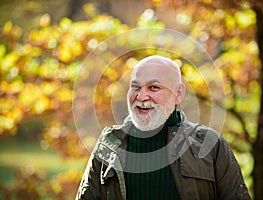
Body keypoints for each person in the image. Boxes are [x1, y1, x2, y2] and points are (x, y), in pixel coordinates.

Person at [75, 55, 251, 200]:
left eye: (154, 87)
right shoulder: (109, 145)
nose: (142, 96)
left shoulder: (211, 145)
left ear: (179, 94)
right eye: (135, 87)